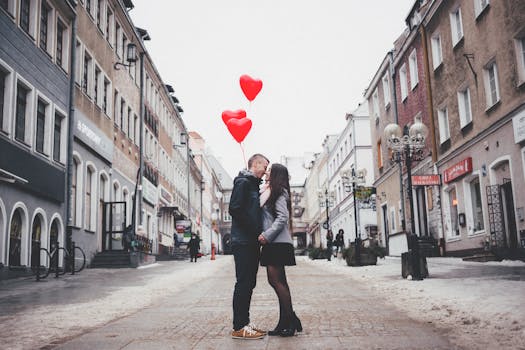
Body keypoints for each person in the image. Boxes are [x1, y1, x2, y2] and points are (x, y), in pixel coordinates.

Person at [258, 163, 302, 337]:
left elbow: (283, 217)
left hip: (277, 242)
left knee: (276, 282)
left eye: (270, 171)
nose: (266, 173)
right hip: (274, 243)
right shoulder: (269, 192)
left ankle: (290, 320)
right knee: (280, 283)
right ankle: (286, 320)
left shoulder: (279, 192)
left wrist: (267, 235)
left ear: (276, 175)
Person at [229, 153, 269, 340]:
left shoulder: (252, 184)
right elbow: (235, 209)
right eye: (265, 166)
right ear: (256, 164)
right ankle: (239, 327)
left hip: (250, 241)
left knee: (249, 283)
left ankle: (245, 323)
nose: (266, 171)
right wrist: (255, 231)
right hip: (243, 241)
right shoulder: (243, 182)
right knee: (244, 283)